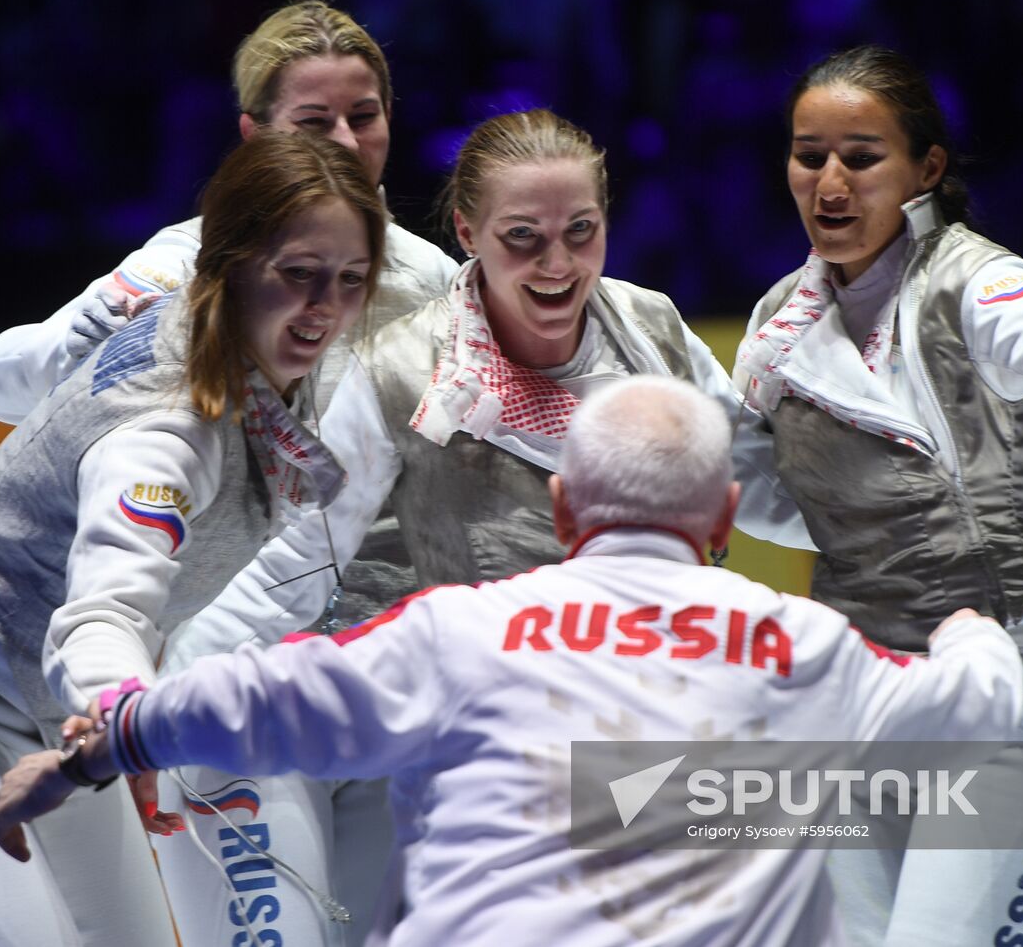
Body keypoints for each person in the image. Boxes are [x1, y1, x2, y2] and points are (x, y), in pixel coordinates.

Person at [0, 375, 1023, 947]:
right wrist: (967, 626)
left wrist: (104, 738)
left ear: (565, 507)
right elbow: (971, 711)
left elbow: (266, 693)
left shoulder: (457, 627)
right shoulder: (801, 646)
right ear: (721, 517)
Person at [145, 106, 809, 947]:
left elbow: (775, 490)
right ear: (467, 230)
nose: (558, 263)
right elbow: (296, 566)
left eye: (581, 230)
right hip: (495, 760)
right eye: (523, 236)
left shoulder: (651, 332)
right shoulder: (400, 372)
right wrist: (157, 713)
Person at [0, 1, 456, 945]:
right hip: (220, 670)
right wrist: (124, 325)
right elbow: (1, 383)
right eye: (316, 122)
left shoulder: (431, 281)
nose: (348, 141)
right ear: (253, 137)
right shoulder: (185, 262)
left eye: (366, 114)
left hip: (367, 676)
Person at [0, 132, 384, 946]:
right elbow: (100, 618)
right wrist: (131, 721)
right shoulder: (165, 434)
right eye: (298, 275)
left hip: (46, 721)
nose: (325, 307)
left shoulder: (232, 332)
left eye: (351, 280)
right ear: (227, 260)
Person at [731, 45, 1023, 947]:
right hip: (858, 694)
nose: (830, 182)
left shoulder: (974, 279)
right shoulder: (776, 324)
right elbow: (777, 499)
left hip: (1006, 692)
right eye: (810, 156)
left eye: (862, 157)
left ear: (926, 168)